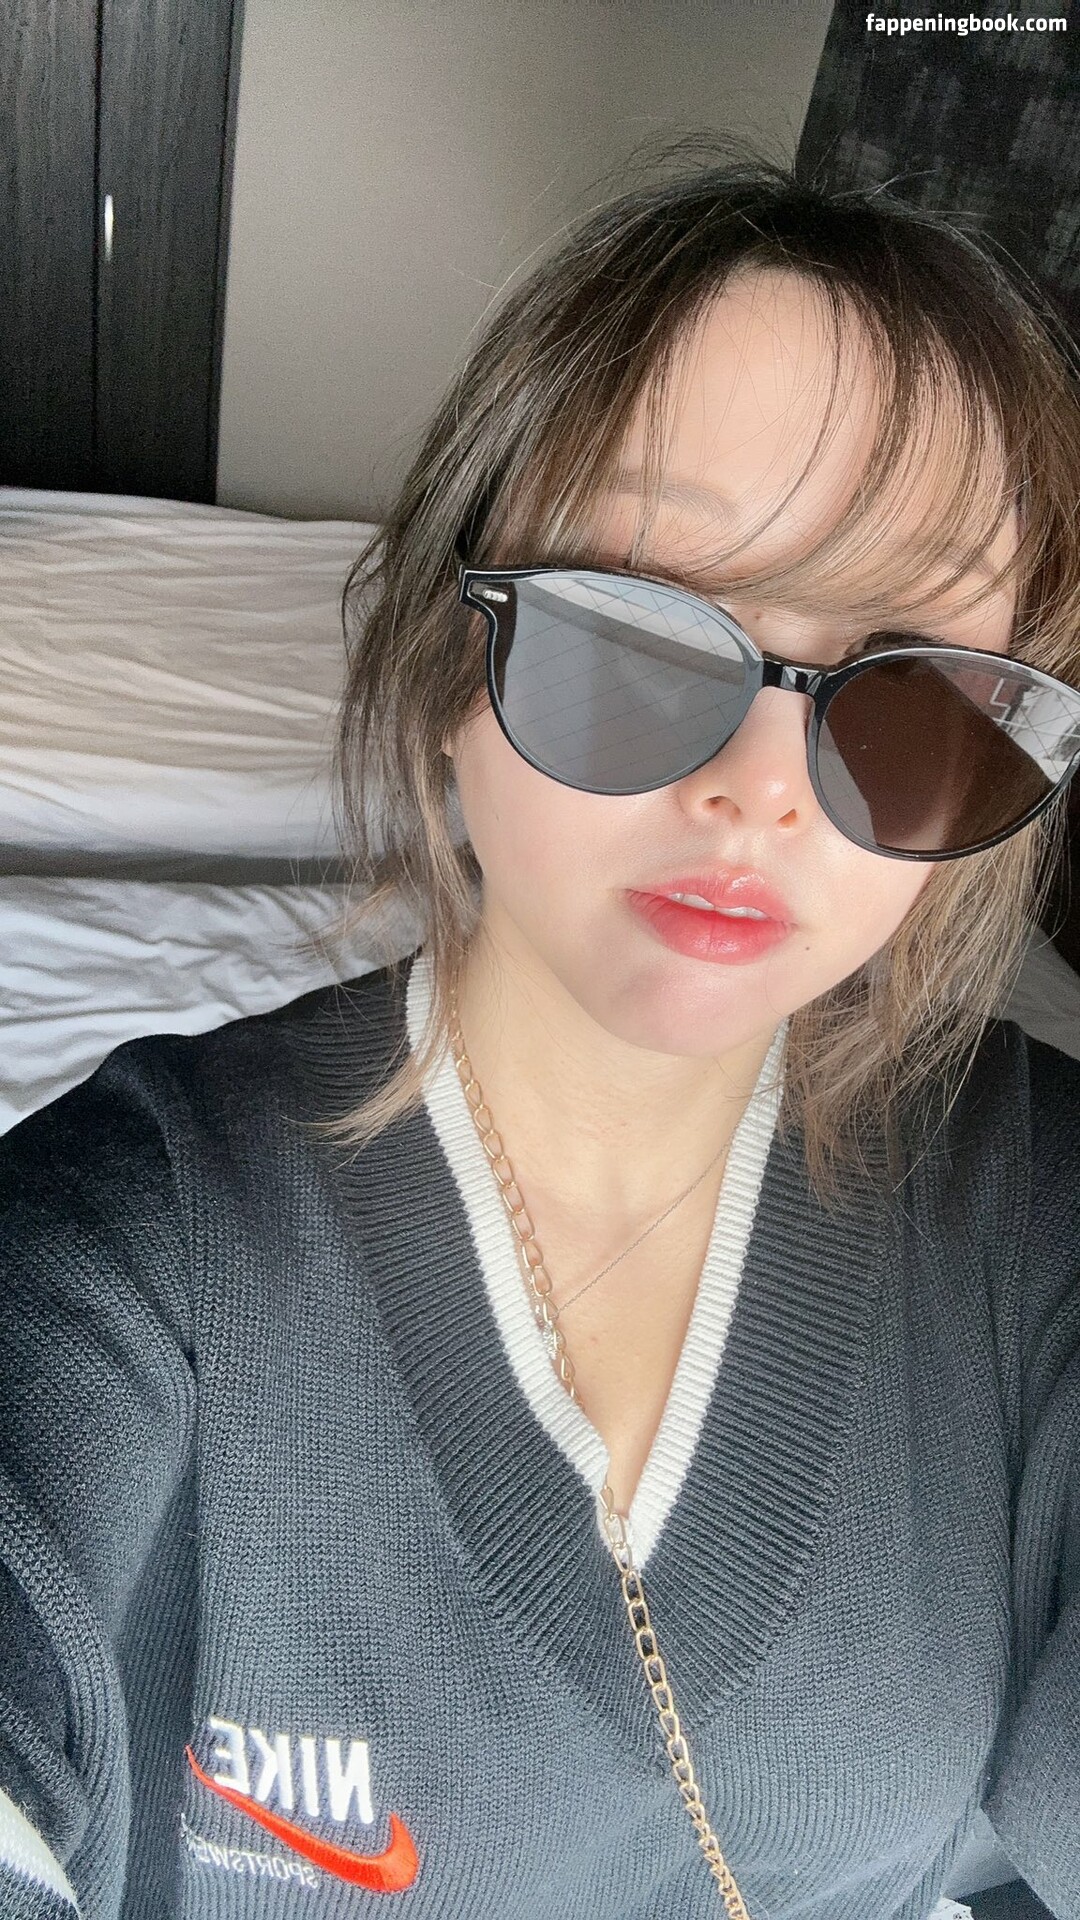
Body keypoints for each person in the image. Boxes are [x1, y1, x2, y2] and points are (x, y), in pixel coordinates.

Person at [2, 153, 1080, 1920]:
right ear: (452, 662)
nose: (759, 791)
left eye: (912, 693)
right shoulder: (126, 1249)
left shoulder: (1031, 1207)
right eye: (638, 631)